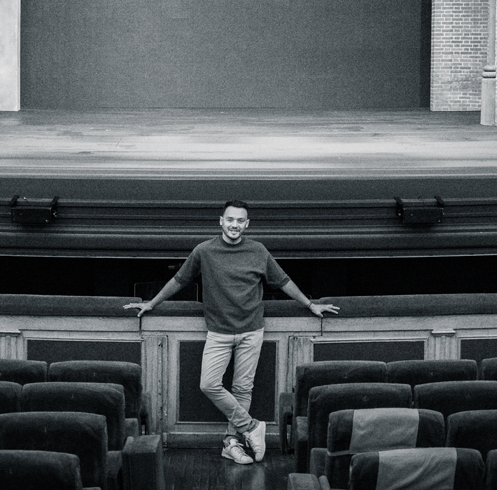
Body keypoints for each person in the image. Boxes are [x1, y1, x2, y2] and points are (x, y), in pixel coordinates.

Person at [125, 200, 338, 466]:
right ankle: (251, 426)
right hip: (219, 332)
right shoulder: (204, 251)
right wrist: (152, 303)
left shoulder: (258, 250)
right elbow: (180, 279)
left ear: (246, 224)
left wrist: (310, 304)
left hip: (252, 330)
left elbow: (283, 281)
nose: (234, 225)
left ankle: (231, 443)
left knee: (242, 389)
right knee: (209, 384)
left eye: (240, 221)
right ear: (221, 221)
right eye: (230, 219)